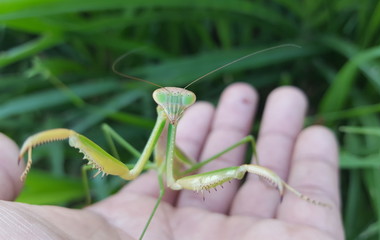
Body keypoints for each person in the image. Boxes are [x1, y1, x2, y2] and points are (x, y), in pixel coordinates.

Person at [0, 83, 344, 240]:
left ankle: (296, 193)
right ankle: (90, 197)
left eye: (184, 104)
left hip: (187, 169)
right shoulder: (161, 126)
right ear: (161, 105)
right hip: (158, 164)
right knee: (89, 140)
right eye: (169, 105)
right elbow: (138, 169)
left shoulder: (177, 130)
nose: (176, 111)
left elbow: (167, 183)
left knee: (246, 150)